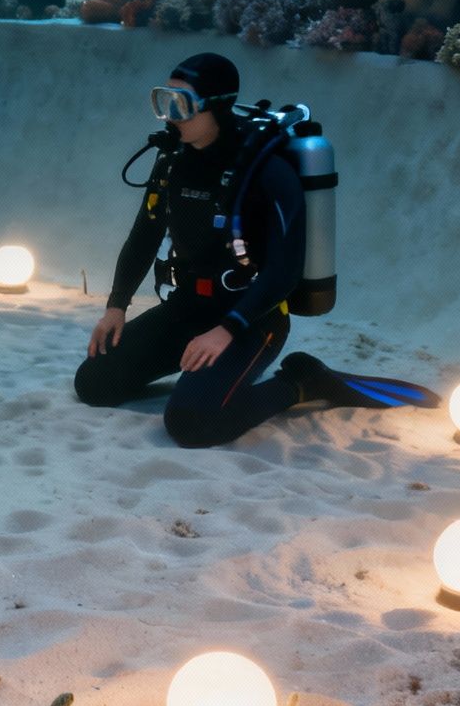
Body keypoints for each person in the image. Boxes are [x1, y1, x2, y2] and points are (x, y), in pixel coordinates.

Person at [74, 52, 429, 447]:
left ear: (218, 106)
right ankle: (203, 373)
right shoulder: (172, 162)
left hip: (251, 322)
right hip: (188, 308)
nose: (171, 115)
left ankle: (301, 382)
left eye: (183, 104)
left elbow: (285, 271)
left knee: (192, 423)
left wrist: (227, 330)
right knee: (94, 383)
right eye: (164, 101)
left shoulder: (267, 172)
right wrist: (116, 306)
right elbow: (145, 235)